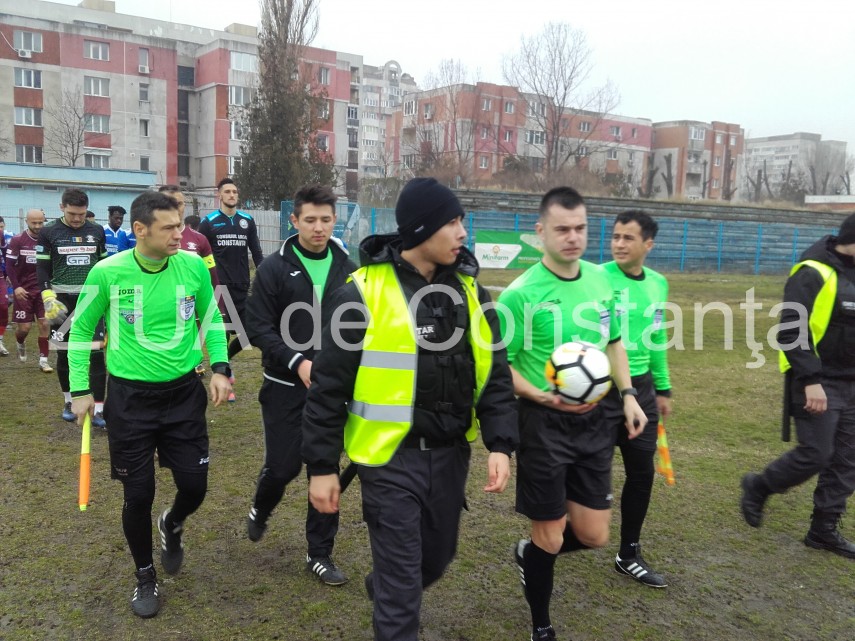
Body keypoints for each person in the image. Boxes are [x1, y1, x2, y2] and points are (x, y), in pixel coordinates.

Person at [303, 177, 518, 641]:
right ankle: (393, 597)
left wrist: (501, 442)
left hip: (451, 455)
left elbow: (494, 372)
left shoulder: (472, 293)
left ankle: (384, 586)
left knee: (435, 560)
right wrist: (321, 467)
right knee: (403, 602)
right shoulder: (359, 294)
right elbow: (327, 388)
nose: (463, 232)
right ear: (422, 229)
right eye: (453, 221)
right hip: (389, 461)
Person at [68, 191, 232, 618]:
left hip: (183, 395)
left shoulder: (192, 266)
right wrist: (82, 391)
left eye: (180, 225)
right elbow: (81, 330)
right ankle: (145, 574)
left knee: (195, 487)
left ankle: (173, 523)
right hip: (130, 401)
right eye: (170, 227)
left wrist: (220, 367)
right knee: (138, 494)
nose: (181, 234)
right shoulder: (108, 272)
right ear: (140, 230)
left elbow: (210, 319)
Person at [498, 187, 648, 641]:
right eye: (562, 229)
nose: (573, 237)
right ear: (540, 232)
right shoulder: (519, 295)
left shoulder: (602, 282)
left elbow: (614, 342)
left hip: (596, 420)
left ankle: (530, 555)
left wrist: (627, 393)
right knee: (550, 534)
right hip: (542, 425)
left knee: (595, 535)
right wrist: (544, 397)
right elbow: (497, 368)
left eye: (580, 228)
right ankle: (541, 626)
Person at [244, 184, 357, 585]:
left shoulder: (349, 266)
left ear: (334, 220)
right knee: (284, 467)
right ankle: (262, 503)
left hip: (334, 389)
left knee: (324, 467)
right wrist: (296, 361)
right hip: (284, 385)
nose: (319, 227)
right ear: (294, 221)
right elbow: (256, 326)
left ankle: (319, 553)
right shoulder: (275, 267)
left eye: (326, 219)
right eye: (310, 220)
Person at [741, 213, 855, 559]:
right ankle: (759, 485)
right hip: (817, 381)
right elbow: (791, 331)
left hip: (851, 383)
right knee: (816, 453)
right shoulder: (813, 272)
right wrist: (811, 380)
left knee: (847, 460)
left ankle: (823, 530)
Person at [599, 211, 672, 588]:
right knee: (588, 473)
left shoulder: (658, 284)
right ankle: (555, 538)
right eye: (615, 237)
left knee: (642, 472)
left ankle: (628, 554)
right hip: (597, 387)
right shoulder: (596, 278)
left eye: (629, 238)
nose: (619, 244)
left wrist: (662, 388)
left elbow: (657, 338)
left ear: (648, 244)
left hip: (640, 389)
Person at [37, 188, 108, 428]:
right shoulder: (48, 232)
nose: (77, 219)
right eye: (72, 214)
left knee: (97, 353)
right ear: (61, 207)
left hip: (91, 298)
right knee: (66, 352)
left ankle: (99, 408)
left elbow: (105, 266)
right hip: (62, 300)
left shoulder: (97, 231)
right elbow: (42, 269)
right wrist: (48, 297)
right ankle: (69, 401)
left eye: (81, 214)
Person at [197, 178, 264, 364]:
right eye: (227, 192)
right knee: (224, 330)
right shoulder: (208, 222)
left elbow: (256, 251)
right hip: (220, 286)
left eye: (234, 192)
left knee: (250, 333)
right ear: (219, 195)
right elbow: (200, 255)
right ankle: (224, 370)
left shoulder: (247, 221)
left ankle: (227, 359)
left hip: (242, 285)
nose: (232, 195)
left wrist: (266, 273)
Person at [5, 209, 53, 372]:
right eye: (34, 223)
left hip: (43, 289)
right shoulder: (18, 240)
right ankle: (20, 342)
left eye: (41, 222)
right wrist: (16, 286)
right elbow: (10, 265)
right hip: (23, 291)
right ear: (27, 221)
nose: (38, 226)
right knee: (24, 329)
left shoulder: (48, 240)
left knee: (45, 323)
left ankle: (44, 360)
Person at [0, 216, 11, 356]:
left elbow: (7, 254)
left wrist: (8, 273)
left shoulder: (8, 237)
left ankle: (0, 340)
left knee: (3, 305)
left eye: (1, 226)